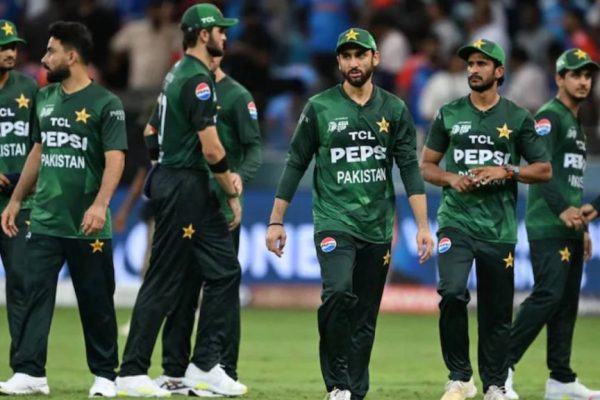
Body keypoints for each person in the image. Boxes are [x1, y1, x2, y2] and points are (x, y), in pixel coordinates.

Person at [266, 27, 434, 400]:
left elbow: (410, 169)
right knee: (338, 292)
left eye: (360, 55)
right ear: (339, 62)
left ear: (376, 58)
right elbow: (295, 164)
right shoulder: (320, 108)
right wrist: (276, 220)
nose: (353, 62)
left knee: (365, 315)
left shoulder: (394, 109)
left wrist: (423, 226)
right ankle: (337, 384)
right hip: (334, 221)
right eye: (346, 56)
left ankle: (354, 392)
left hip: (378, 226)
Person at [116, 4, 246, 397]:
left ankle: (202, 366)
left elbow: (151, 132)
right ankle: (131, 371)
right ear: (204, 35)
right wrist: (230, 190)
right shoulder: (198, 81)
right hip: (187, 184)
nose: (225, 35)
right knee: (164, 278)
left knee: (225, 271)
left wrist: (164, 163)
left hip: (182, 182)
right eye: (220, 30)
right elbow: (212, 149)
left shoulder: (177, 73)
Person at [0, 21, 127, 397]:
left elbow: (116, 158)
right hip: (44, 218)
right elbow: (38, 151)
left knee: (96, 300)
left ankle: (105, 376)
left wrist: (101, 204)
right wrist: (17, 199)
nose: (43, 59)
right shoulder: (44, 97)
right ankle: (30, 372)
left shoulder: (106, 103)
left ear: (71, 56)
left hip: (87, 223)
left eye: (51, 51)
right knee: (32, 294)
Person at [420, 38, 552, 400]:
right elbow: (427, 165)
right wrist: (451, 179)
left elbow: (543, 169)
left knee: (496, 312)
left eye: (482, 64)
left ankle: (494, 384)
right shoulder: (449, 113)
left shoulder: (517, 117)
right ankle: (459, 378)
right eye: (471, 64)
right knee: (451, 293)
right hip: (456, 221)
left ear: (499, 71)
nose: (474, 69)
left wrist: (506, 170)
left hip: (499, 228)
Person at [155, 54, 262, 396]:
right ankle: (174, 372)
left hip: (221, 208)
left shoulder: (237, 96)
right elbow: (155, 132)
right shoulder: (186, 87)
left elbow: (253, 148)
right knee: (182, 289)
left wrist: (238, 178)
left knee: (224, 286)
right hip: (187, 202)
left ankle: (222, 367)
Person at [504, 48, 600, 400]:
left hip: (569, 226)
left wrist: (582, 225)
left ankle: (561, 378)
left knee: (567, 302)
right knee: (548, 295)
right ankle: (501, 367)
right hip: (547, 222)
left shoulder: (575, 124)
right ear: (559, 78)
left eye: (588, 75)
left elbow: (569, 181)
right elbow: (538, 169)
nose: (583, 81)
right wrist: (561, 211)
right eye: (575, 75)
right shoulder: (550, 117)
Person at [0, 18, 37, 372]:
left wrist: (19, 180)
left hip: (19, 202)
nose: (9, 53)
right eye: (2, 47)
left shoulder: (28, 87)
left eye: (12, 46)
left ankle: (25, 369)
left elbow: (40, 144)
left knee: (22, 285)